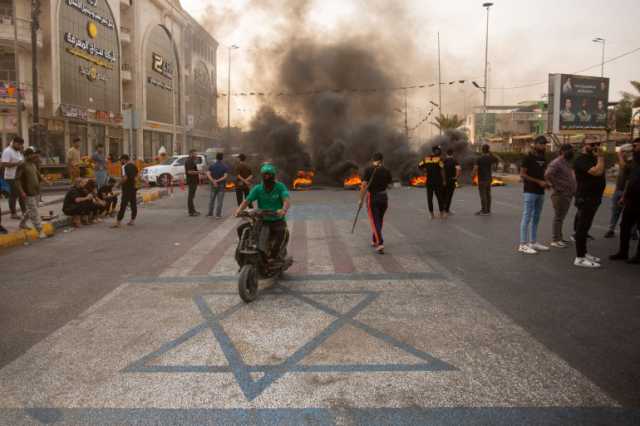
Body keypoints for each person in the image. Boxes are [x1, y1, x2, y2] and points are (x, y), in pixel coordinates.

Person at [235, 163, 290, 262]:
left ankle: (273, 257)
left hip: (277, 220)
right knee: (241, 229)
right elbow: (247, 200)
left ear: (273, 176)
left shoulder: (280, 187)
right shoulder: (258, 188)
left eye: (268, 175)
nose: (266, 177)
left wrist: (283, 210)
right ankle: (243, 250)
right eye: (264, 175)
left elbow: (286, 200)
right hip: (262, 220)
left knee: (280, 235)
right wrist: (239, 210)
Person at [572, 138, 607, 268]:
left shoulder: (594, 158)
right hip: (585, 198)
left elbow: (601, 171)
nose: (596, 146)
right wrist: (601, 158)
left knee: (586, 228)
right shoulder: (581, 159)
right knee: (582, 228)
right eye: (592, 144)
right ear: (584, 146)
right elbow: (597, 172)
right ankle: (579, 257)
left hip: (594, 198)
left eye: (598, 144)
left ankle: (584, 253)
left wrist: (599, 158)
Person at [518, 136, 550, 254]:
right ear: (535, 144)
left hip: (540, 191)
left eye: (545, 144)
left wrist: (547, 182)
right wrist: (538, 182)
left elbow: (543, 173)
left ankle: (533, 242)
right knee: (527, 216)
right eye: (541, 144)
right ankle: (522, 244)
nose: (543, 146)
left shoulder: (543, 157)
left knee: (536, 217)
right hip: (530, 191)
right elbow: (522, 174)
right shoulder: (528, 157)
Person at [610, 139, 640, 264]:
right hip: (631, 198)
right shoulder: (636, 160)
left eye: (636, 145)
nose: (633, 147)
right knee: (624, 225)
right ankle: (623, 252)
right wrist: (624, 196)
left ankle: (639, 256)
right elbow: (630, 179)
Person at [545, 144, 577, 248]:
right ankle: (555, 239)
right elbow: (548, 175)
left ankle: (559, 237)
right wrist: (556, 186)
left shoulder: (567, 162)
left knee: (561, 217)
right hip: (560, 194)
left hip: (567, 193)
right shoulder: (557, 162)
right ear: (563, 151)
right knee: (558, 217)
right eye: (570, 150)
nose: (572, 152)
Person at [361, 152, 393, 254]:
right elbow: (390, 185)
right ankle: (375, 239)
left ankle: (380, 243)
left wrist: (360, 199)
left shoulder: (368, 170)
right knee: (379, 219)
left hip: (373, 198)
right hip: (384, 198)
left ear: (372, 160)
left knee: (375, 221)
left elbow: (364, 185)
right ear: (382, 160)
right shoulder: (386, 170)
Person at [15, 147, 47, 239]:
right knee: (34, 211)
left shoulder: (32, 164)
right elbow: (17, 180)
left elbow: (37, 174)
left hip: (36, 191)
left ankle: (22, 223)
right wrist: (22, 192)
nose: (34, 155)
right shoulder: (22, 165)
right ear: (27, 155)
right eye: (31, 154)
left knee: (31, 209)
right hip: (27, 192)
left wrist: (46, 181)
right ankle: (40, 230)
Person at [605, 144, 633, 238]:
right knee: (615, 212)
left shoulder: (632, 162)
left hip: (628, 192)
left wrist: (620, 155)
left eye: (623, 152)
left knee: (630, 213)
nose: (621, 154)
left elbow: (625, 168)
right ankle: (611, 229)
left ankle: (633, 232)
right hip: (618, 190)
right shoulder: (622, 163)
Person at [1, 136, 26, 219]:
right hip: (11, 177)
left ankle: (24, 212)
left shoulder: (17, 151)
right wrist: (17, 164)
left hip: (19, 176)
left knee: (21, 194)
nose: (20, 147)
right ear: (15, 143)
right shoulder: (7, 151)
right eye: (19, 145)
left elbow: (20, 161)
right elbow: (4, 164)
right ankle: (13, 213)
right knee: (15, 195)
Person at [472, 144, 501, 216]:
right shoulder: (490, 158)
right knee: (488, 194)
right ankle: (488, 210)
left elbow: (475, 168)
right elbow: (499, 159)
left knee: (483, 195)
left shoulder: (479, 158)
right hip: (489, 178)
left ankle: (484, 210)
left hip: (482, 179)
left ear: (482, 150)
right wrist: (491, 153)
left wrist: (472, 175)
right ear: (488, 150)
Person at [419, 146, 447, 219]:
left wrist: (424, 171)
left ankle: (439, 213)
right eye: (438, 150)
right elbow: (443, 169)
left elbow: (420, 166)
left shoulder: (426, 158)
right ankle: (433, 214)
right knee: (435, 197)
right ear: (435, 151)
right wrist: (444, 180)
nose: (439, 152)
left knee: (437, 197)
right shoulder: (439, 159)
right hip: (436, 181)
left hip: (432, 181)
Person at [112, 154, 138, 228]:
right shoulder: (134, 166)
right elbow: (136, 176)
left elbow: (125, 178)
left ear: (124, 160)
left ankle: (118, 222)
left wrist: (118, 184)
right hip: (133, 187)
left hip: (127, 188)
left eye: (121, 160)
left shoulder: (124, 167)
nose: (120, 162)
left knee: (123, 204)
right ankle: (132, 220)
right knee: (133, 203)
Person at [207, 152, 229, 218]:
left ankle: (210, 214)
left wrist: (213, 181)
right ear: (222, 158)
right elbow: (225, 176)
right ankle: (218, 215)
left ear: (216, 158)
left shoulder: (212, 165)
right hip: (221, 185)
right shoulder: (225, 166)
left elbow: (208, 174)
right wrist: (217, 181)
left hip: (213, 185)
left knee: (211, 200)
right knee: (220, 201)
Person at [443, 149, 461, 214]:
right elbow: (458, 170)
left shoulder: (443, 161)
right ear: (452, 153)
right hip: (451, 180)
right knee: (449, 195)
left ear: (446, 154)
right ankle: (447, 210)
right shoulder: (455, 161)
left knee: (444, 194)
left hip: (444, 180)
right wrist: (456, 177)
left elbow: (440, 170)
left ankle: (442, 209)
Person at [185, 149, 201, 217]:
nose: (196, 155)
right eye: (195, 153)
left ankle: (193, 210)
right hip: (191, 181)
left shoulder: (192, 160)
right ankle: (191, 212)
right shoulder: (189, 161)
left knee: (192, 197)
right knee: (190, 197)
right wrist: (199, 172)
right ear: (191, 154)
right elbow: (189, 171)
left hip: (194, 180)